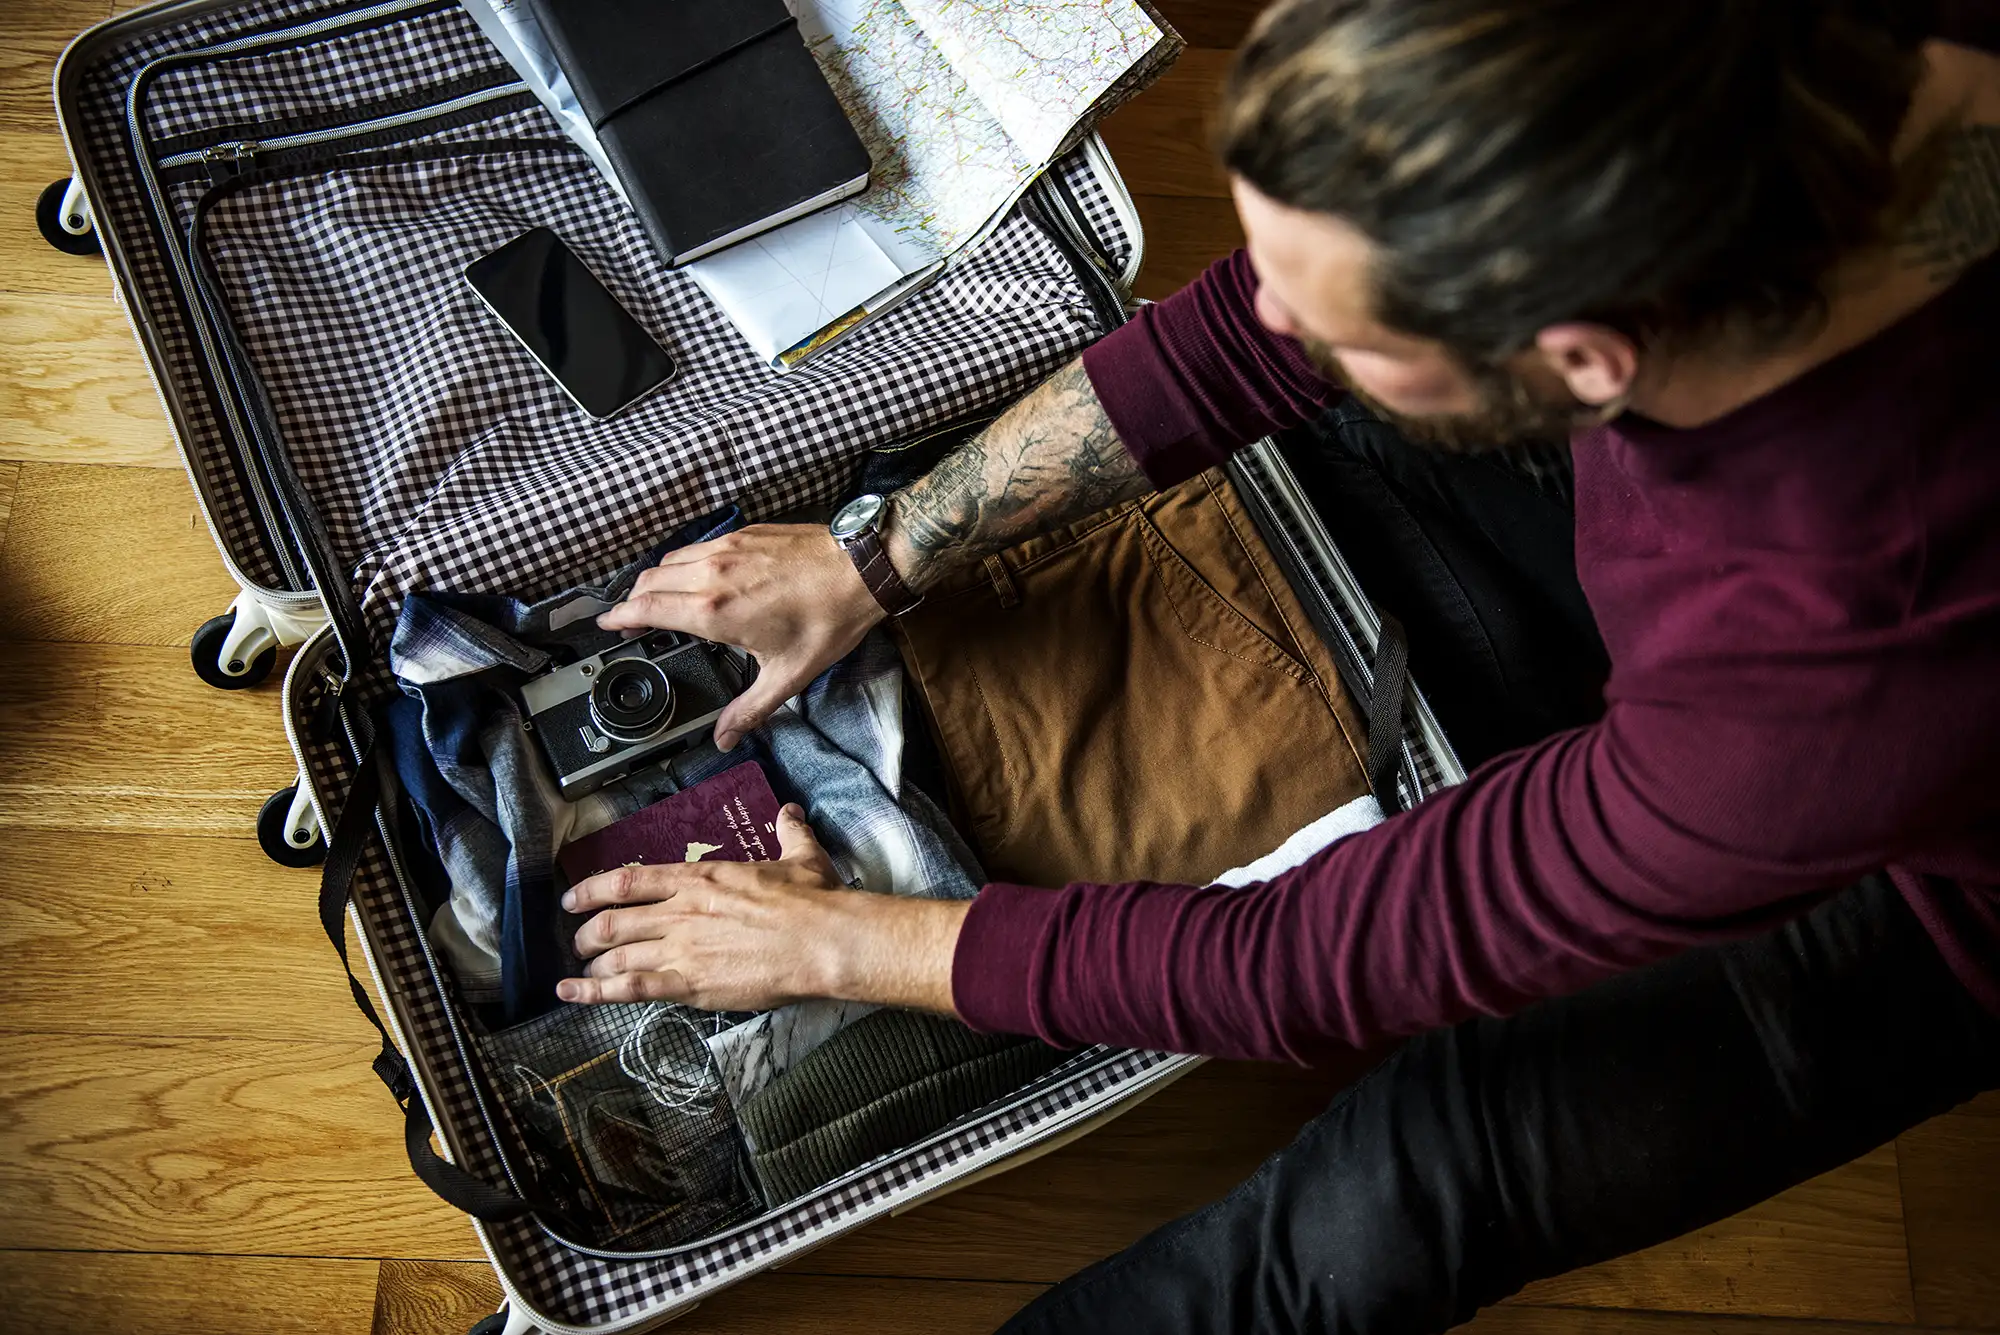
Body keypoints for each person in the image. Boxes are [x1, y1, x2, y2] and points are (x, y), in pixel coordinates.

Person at [555, 1, 2000, 1330]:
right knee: (1350, 467)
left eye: (1333, 325)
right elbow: (1244, 337)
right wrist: (879, 553)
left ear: (1588, 356)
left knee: (1411, 1185)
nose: (1275, 318)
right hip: (1721, 539)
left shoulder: (1840, 663)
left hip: (1943, 881)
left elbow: (1321, 954)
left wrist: (845, 945)